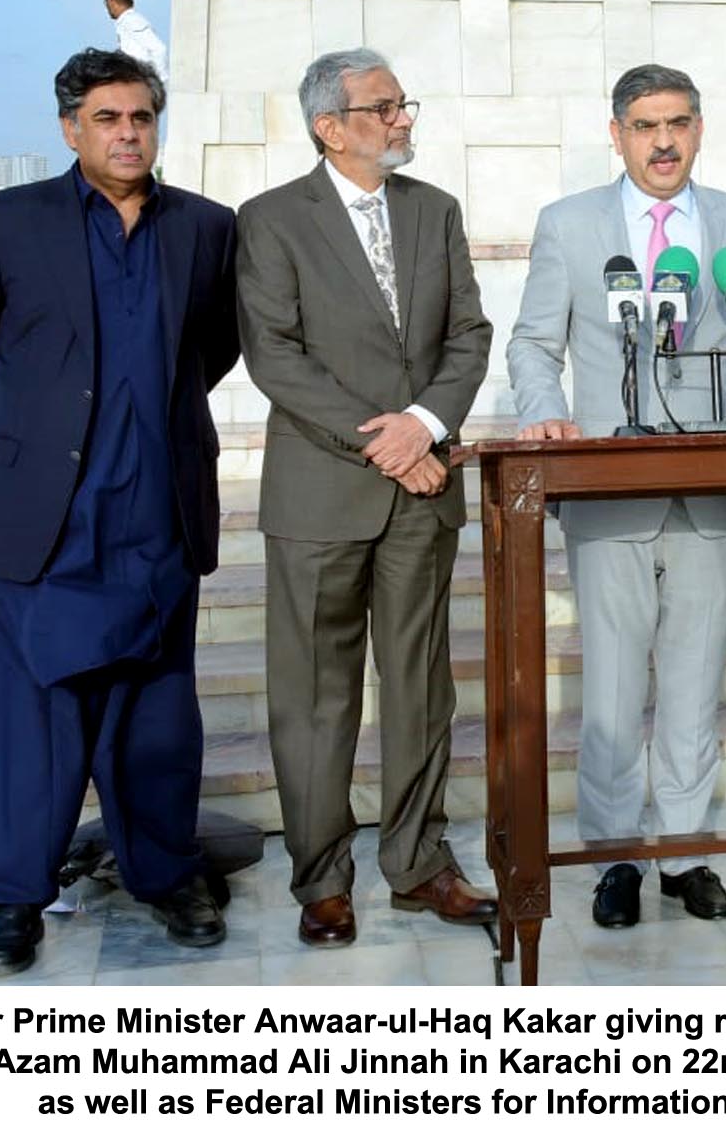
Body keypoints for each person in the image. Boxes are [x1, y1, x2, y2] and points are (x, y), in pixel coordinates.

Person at [0, 48, 239, 975]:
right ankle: (12, 900)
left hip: (157, 510)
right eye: (107, 118)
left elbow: (213, 348)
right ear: (69, 128)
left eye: (141, 117)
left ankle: (165, 873)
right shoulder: (3, 221)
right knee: (21, 723)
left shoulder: (205, 228)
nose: (128, 134)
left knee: (155, 716)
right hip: (39, 519)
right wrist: (37, 431)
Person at [507, 63, 726, 929]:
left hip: (711, 493)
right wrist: (546, 416)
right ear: (617, 133)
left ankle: (686, 852)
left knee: (696, 685)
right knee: (615, 691)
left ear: (699, 129)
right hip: (608, 492)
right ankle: (616, 855)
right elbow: (532, 344)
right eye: (644, 125)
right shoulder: (569, 224)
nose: (663, 142)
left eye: (678, 123)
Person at [236, 48, 497, 948]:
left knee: (421, 688)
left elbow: (469, 334)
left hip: (422, 495)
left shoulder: (434, 210)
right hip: (320, 496)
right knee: (316, 698)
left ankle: (420, 864)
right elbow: (275, 356)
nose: (402, 119)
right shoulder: (272, 220)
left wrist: (423, 423)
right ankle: (321, 879)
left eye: (401, 103)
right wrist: (387, 443)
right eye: (383, 108)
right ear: (329, 127)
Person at [102, 0, 168, 85]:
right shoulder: (125, 21)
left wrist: (159, 83)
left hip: (141, 82)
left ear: (111, 2)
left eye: (106, 2)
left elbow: (159, 49)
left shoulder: (132, 20)